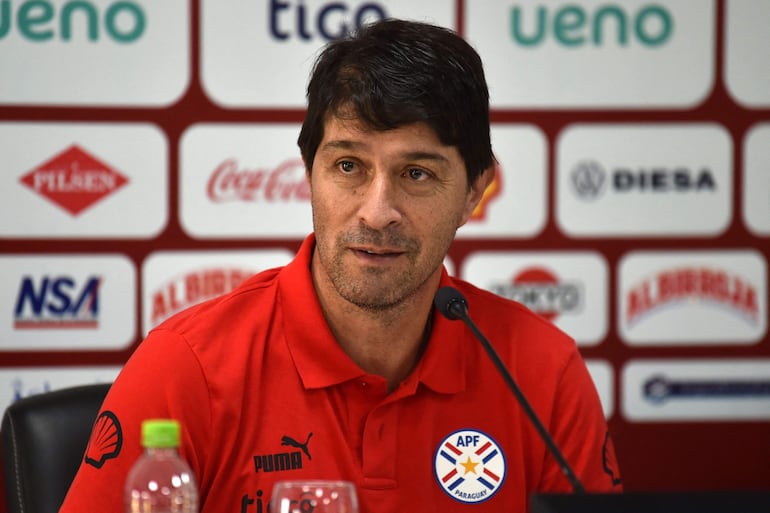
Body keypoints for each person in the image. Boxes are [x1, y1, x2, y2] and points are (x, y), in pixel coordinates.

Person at [60, 18, 621, 513]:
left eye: (417, 173)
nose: (377, 213)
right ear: (310, 174)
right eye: (349, 165)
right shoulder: (186, 369)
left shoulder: (542, 373)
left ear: (475, 190)